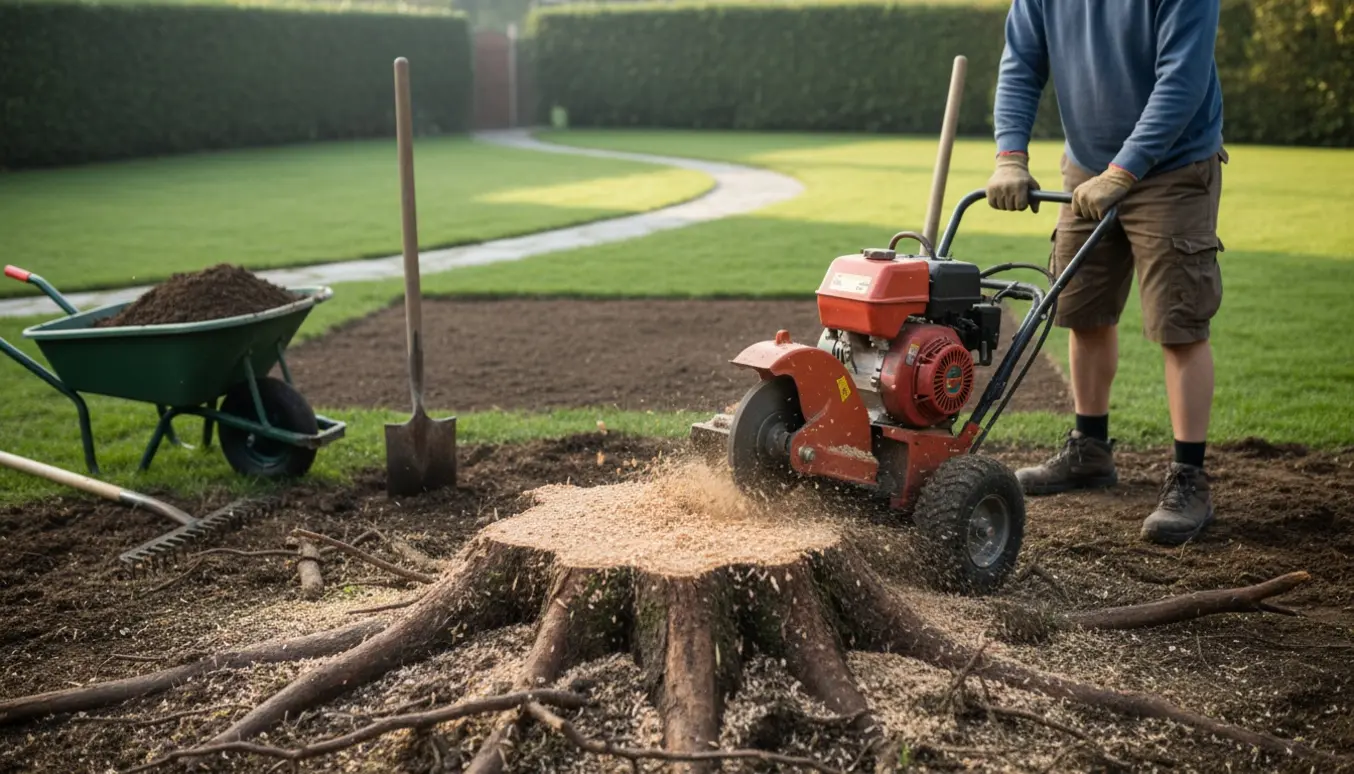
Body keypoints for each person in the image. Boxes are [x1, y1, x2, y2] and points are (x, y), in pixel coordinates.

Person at [985, 0, 1226, 545]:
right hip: (1086, 169)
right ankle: (1089, 450)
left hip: (1173, 167)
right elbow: (1022, 63)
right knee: (1081, 312)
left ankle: (1189, 478)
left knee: (1179, 324)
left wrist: (1125, 170)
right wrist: (1009, 156)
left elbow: (1181, 81)